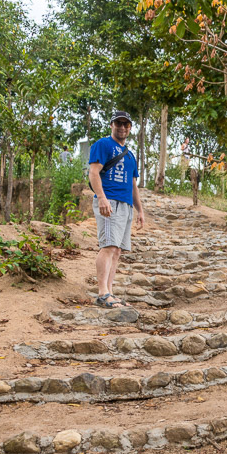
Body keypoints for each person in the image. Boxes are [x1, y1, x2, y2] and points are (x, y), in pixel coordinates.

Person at [88, 111, 145, 308]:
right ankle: (102, 292)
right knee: (109, 246)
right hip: (109, 201)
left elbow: (133, 185)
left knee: (117, 250)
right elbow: (94, 172)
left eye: (126, 124)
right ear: (112, 125)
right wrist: (102, 198)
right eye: (118, 123)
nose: (122, 127)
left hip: (126, 205)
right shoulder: (103, 145)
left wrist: (140, 210)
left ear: (130, 128)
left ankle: (110, 292)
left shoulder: (129, 155)